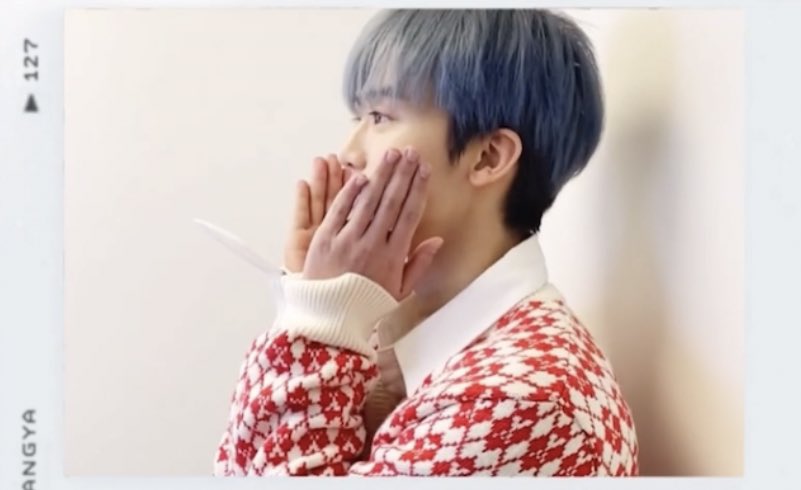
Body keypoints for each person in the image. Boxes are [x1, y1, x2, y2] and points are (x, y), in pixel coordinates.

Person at [213, 9, 638, 476]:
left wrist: (320, 324)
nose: (348, 153)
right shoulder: (387, 332)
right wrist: (312, 299)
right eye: (358, 116)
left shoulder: (522, 400)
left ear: (487, 156)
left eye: (380, 116)